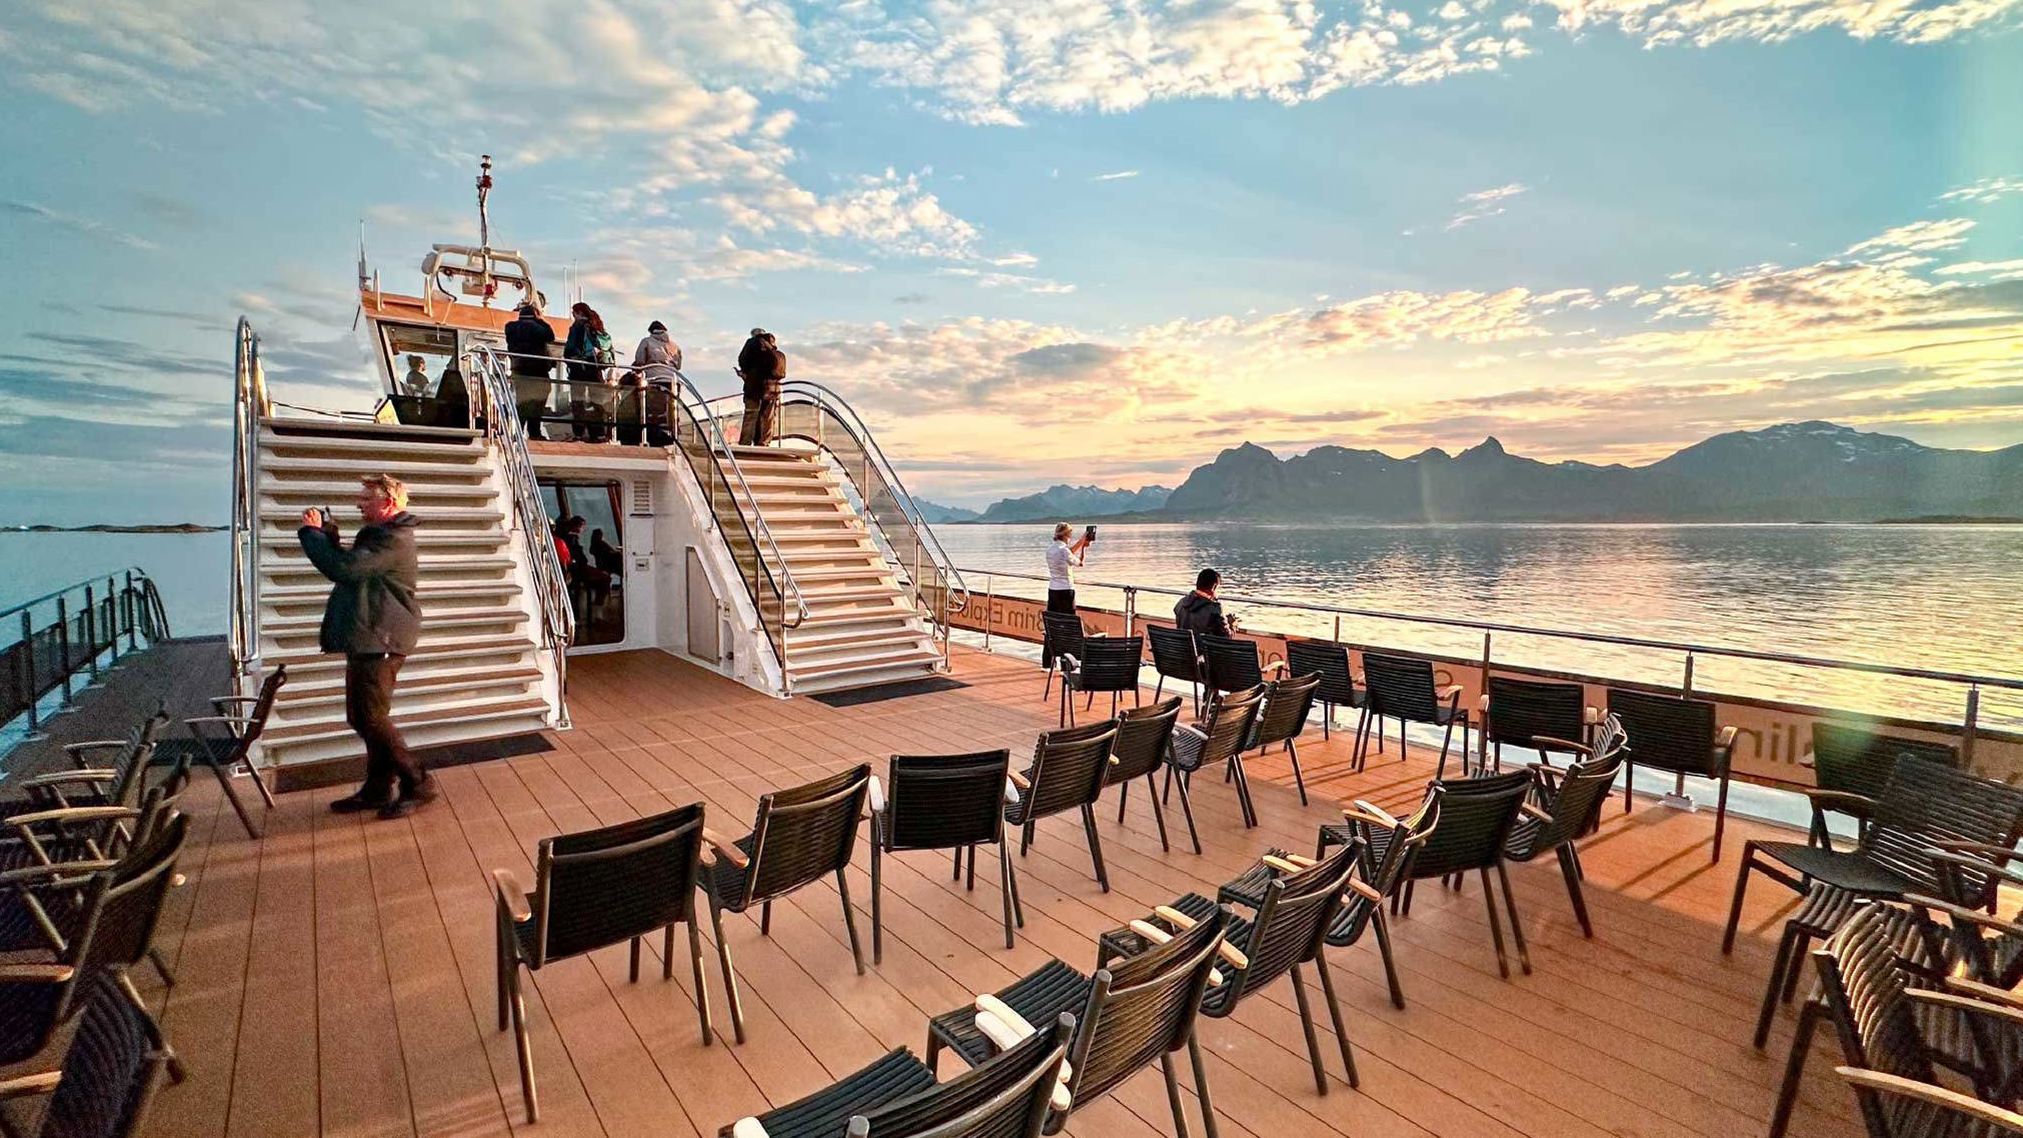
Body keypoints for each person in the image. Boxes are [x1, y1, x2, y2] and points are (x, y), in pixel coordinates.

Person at [299, 475, 432, 820]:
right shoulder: (381, 536)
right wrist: (330, 538)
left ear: (387, 504)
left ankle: (418, 782)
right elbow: (356, 566)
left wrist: (313, 536)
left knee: (370, 717)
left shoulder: (393, 539)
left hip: (381, 638)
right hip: (371, 636)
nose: (359, 503)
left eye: (366, 499)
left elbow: (345, 569)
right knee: (363, 716)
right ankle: (377, 788)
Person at [1042, 522, 1091, 669]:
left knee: (1052, 625)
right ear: (1065, 535)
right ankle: (1067, 663)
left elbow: (1067, 553)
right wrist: (1083, 548)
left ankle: (1047, 661)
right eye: (1070, 534)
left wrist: (1081, 542)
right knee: (1069, 627)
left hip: (1053, 590)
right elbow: (1079, 563)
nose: (1071, 536)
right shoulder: (1064, 551)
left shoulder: (1051, 549)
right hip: (1066, 592)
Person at [504, 302, 557, 439]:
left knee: (523, 401)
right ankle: (534, 432)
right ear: (534, 315)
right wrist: (540, 320)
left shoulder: (510, 327)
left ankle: (517, 432)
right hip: (537, 370)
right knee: (538, 401)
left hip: (519, 369)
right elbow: (550, 336)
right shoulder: (537, 327)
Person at [564, 303, 616, 442]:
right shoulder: (596, 326)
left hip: (579, 370)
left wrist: (569, 359)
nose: (573, 315)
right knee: (597, 402)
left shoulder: (577, 327)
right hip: (596, 370)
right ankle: (598, 433)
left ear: (579, 312)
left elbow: (571, 348)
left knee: (578, 402)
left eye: (573, 312)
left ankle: (579, 433)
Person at [736, 328, 786, 446]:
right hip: (773, 389)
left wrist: (745, 373)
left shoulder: (751, 343)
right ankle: (764, 442)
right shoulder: (774, 351)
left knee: (751, 415)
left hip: (754, 387)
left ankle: (745, 443)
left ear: (754, 335)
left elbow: (742, 361)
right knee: (768, 417)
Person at [1173, 568, 1237, 638]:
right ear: (1214, 587)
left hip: (1183, 647)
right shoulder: (1214, 609)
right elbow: (1227, 637)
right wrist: (1232, 625)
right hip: (1204, 648)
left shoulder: (1181, 603)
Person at [434, 361, 470, 428]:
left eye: (456, 384)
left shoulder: (470, 412)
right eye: (449, 384)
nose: (452, 388)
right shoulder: (437, 411)